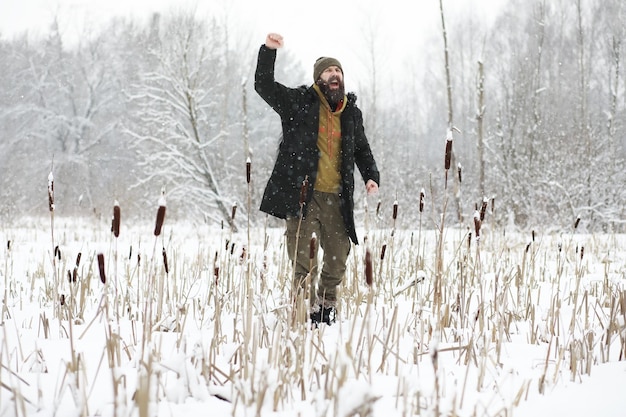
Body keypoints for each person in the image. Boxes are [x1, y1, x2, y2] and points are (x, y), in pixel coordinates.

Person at [255, 33, 380, 326]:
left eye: (338, 71)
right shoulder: (298, 102)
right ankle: (300, 313)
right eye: (328, 70)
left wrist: (371, 176)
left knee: (338, 257)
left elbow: (361, 147)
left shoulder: (350, 113)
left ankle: (325, 308)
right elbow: (263, 85)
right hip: (303, 198)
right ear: (318, 78)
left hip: (337, 199)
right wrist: (269, 52)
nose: (334, 74)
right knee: (303, 262)